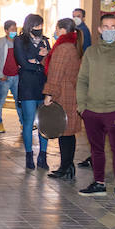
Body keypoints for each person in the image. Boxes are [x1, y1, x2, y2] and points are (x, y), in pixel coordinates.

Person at [76, 13, 115, 200]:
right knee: (96, 150)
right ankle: (99, 182)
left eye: (113, 27)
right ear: (99, 29)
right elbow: (82, 80)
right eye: (106, 27)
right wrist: (82, 107)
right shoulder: (91, 52)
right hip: (92, 111)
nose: (110, 30)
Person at [43, 18, 82, 180]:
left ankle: (65, 167)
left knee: (64, 132)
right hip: (71, 92)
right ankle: (68, 166)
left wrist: (49, 94)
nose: (55, 31)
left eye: (56, 28)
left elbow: (56, 73)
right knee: (68, 132)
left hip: (63, 94)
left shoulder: (62, 48)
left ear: (62, 30)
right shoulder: (73, 46)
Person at [13, 14, 51, 170]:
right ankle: (29, 155)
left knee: (43, 122)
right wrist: (38, 59)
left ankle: (43, 155)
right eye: (36, 26)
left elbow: (49, 62)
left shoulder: (45, 40)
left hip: (43, 85)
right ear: (29, 25)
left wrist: (36, 61)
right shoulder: (20, 40)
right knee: (28, 121)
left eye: (41, 26)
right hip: (27, 85)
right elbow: (21, 62)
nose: (39, 29)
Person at [0, 19, 18, 134]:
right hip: (4, 78)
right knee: (1, 101)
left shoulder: (18, 42)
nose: (14, 31)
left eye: (15, 29)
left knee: (19, 101)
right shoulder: (1, 42)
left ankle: (23, 123)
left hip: (16, 77)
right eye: (12, 29)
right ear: (6, 30)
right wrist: (1, 75)